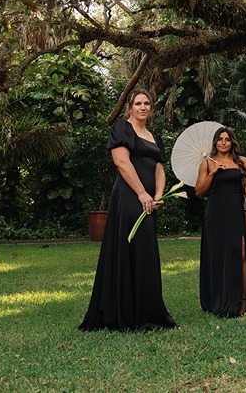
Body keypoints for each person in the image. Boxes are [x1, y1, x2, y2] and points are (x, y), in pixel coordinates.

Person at [80, 89, 176, 331]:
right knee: (132, 247)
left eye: (147, 103)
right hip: (129, 197)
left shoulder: (154, 137)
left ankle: (148, 310)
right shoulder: (122, 129)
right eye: (138, 103)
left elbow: (159, 169)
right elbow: (121, 162)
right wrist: (142, 193)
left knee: (146, 252)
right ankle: (126, 312)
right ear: (130, 108)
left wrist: (157, 195)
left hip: (149, 200)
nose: (143, 107)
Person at [195, 127, 246, 317]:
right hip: (215, 213)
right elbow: (199, 192)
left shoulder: (241, 161)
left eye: (227, 139)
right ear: (215, 142)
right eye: (220, 139)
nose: (223, 142)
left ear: (232, 142)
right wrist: (212, 174)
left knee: (241, 251)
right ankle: (218, 299)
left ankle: (243, 302)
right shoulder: (207, 163)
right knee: (217, 255)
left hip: (235, 213)